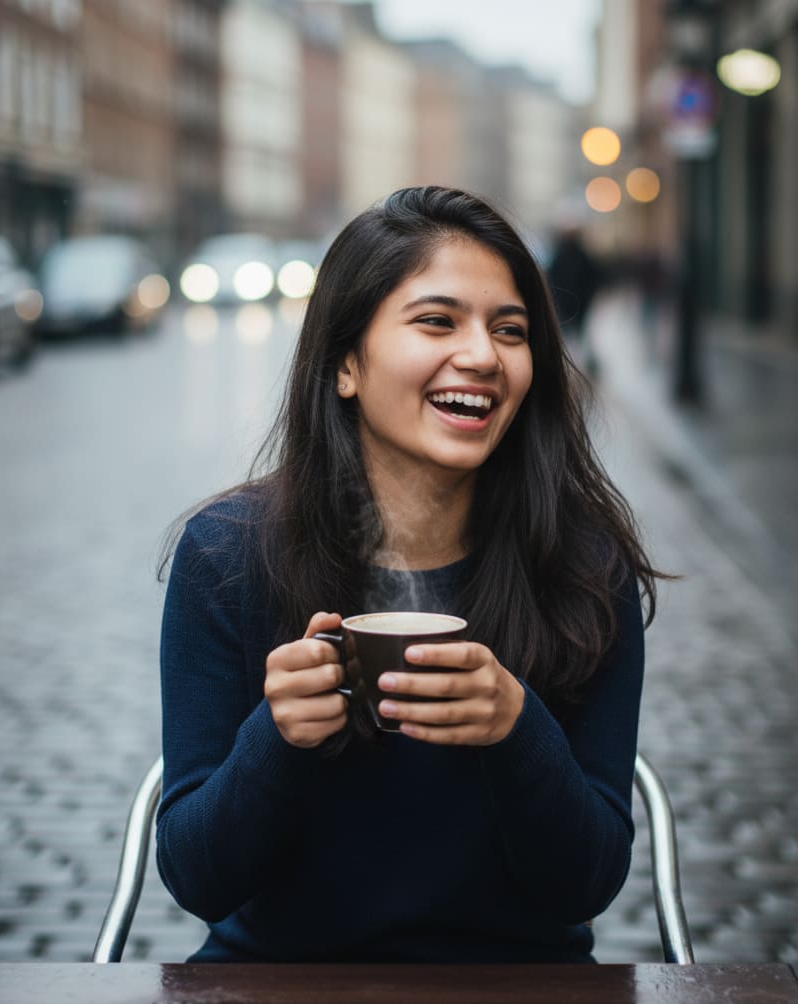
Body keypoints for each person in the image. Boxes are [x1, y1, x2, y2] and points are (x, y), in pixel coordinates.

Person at [157, 186, 665, 964]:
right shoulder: (228, 557)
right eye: (437, 320)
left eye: (510, 330)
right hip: (282, 981)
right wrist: (278, 736)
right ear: (345, 363)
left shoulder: (584, 567)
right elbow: (199, 878)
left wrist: (515, 728)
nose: (484, 356)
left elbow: (585, 884)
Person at [546, 223, 603, 376]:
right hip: (575, 304)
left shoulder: (561, 255)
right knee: (575, 336)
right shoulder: (580, 256)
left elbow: (552, 278)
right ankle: (572, 366)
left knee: (569, 336)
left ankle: (569, 366)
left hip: (568, 304)